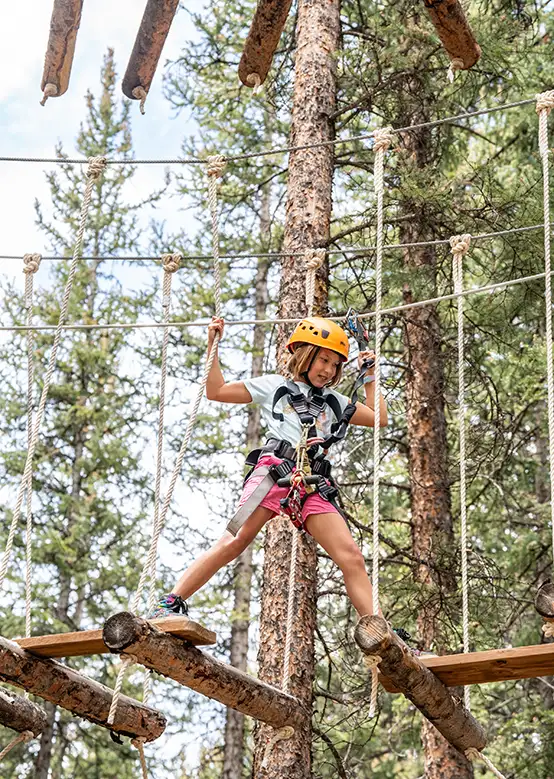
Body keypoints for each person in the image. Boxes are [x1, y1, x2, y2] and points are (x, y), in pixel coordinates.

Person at [149, 315, 388, 621]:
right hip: (274, 471)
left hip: (310, 481)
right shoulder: (274, 386)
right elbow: (216, 391)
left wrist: (370, 377)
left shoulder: (334, 402)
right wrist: (213, 345)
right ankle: (170, 602)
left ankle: (381, 631)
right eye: (323, 360)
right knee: (236, 539)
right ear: (305, 355)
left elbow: (379, 418)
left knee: (351, 556)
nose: (328, 370)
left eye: (335, 365)